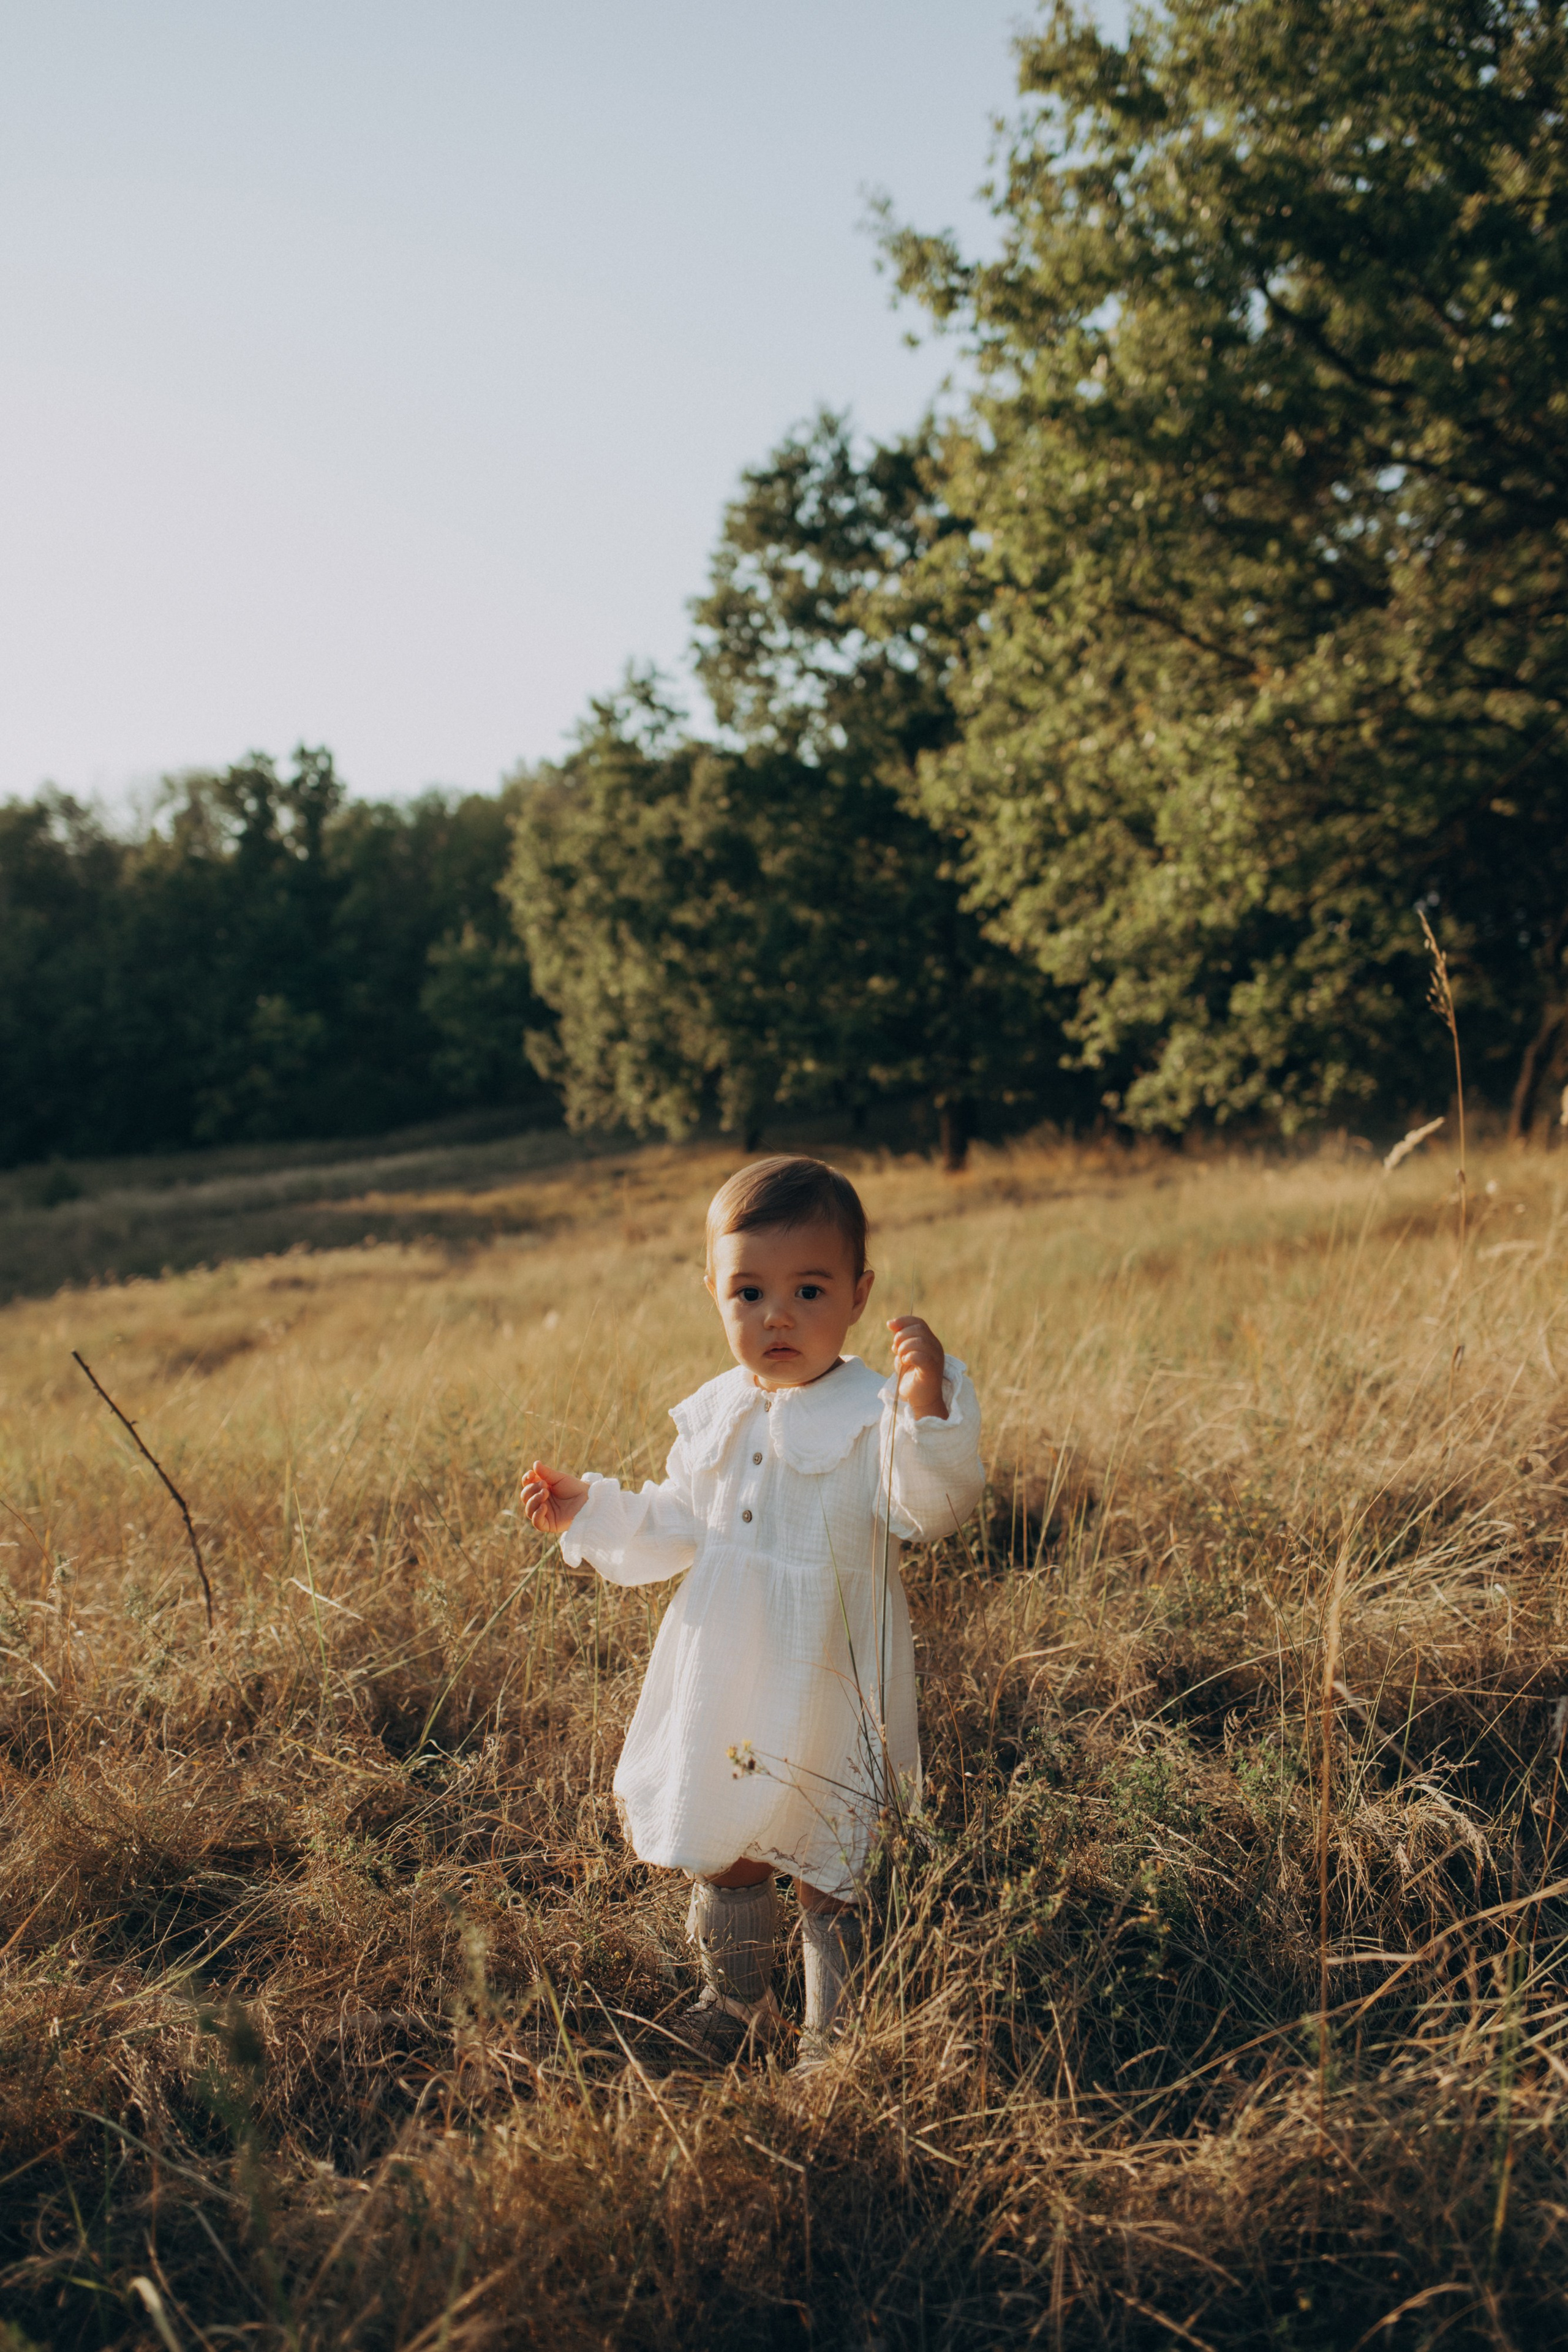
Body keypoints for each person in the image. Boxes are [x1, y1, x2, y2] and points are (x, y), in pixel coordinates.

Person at [520, 1155, 984, 2074]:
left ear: (858, 1295)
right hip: (726, 1666)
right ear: (714, 1293)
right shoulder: (718, 1413)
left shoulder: (874, 1411)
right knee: (728, 1843)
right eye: (750, 1292)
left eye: (809, 1290)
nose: (778, 1316)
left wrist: (929, 1405)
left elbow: (928, 1509)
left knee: (829, 1861)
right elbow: (673, 1521)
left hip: (829, 1670)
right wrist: (591, 1508)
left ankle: (832, 2038)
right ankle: (736, 2001)